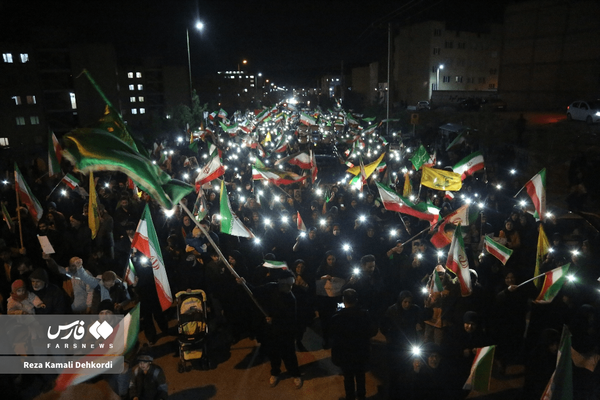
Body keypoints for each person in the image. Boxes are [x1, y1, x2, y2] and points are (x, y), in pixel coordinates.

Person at [238, 269, 303, 389]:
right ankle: (275, 372)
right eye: (287, 285)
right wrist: (244, 283)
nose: (290, 287)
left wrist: (275, 320)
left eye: (291, 285)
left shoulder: (291, 298)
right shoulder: (271, 287)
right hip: (271, 330)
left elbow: (290, 319)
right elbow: (255, 291)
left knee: (289, 354)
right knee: (273, 353)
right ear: (281, 283)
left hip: (285, 331)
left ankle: (295, 373)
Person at [330, 288, 376, 400]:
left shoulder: (337, 317)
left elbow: (334, 337)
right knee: (360, 376)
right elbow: (372, 331)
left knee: (348, 377)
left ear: (343, 300)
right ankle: (361, 396)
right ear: (356, 300)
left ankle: (350, 397)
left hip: (345, 354)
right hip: (361, 352)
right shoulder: (364, 314)